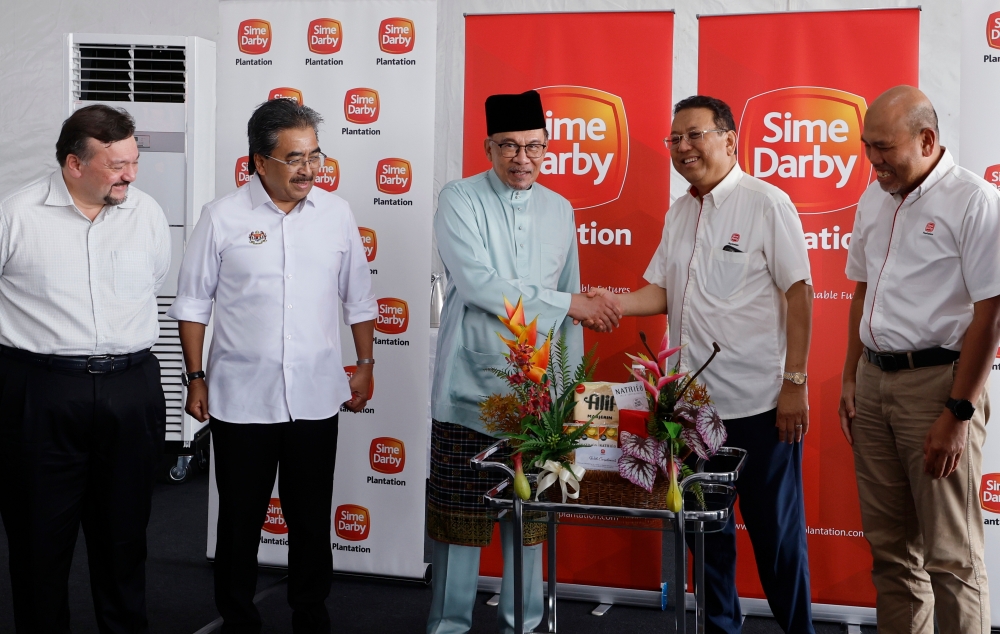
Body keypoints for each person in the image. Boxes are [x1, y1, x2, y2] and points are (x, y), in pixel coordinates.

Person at [589, 95, 816, 633]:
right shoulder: (680, 211)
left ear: (729, 138)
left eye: (694, 135)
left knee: (777, 541)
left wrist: (796, 383)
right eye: (675, 139)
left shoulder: (767, 203)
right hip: (691, 412)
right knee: (707, 541)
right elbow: (661, 291)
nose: (683, 147)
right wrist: (608, 303)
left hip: (760, 409)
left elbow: (801, 295)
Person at [168, 98, 376, 634]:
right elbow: (192, 304)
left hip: (314, 395)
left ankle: (311, 617)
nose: (309, 169)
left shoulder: (337, 213)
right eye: (294, 158)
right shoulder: (222, 217)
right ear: (259, 162)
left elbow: (359, 298)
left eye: (315, 156)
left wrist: (366, 362)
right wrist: (195, 378)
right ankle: (238, 621)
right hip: (240, 398)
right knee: (239, 522)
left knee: (310, 519)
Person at [427, 89, 621, 634]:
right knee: (459, 527)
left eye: (534, 146)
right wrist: (568, 304)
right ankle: (447, 626)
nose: (522, 158)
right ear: (488, 147)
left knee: (530, 526)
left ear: (547, 147)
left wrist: (572, 398)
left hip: (540, 399)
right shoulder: (458, 198)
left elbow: (570, 306)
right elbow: (481, 286)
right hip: (470, 390)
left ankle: (525, 625)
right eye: (509, 146)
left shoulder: (560, 210)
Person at [0, 104, 170, 633]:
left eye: (134, 160)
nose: (131, 175)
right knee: (38, 544)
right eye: (117, 164)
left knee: (124, 539)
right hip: (39, 391)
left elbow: (157, 279)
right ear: (75, 164)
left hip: (132, 388)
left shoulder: (146, 212)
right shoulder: (16, 215)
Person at [838, 85, 999, 634]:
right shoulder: (873, 196)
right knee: (891, 555)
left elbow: (991, 314)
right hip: (874, 382)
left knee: (952, 559)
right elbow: (862, 292)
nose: (874, 160)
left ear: (927, 140)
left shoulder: (974, 201)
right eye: (867, 147)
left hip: (938, 389)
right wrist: (849, 377)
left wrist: (957, 413)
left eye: (884, 147)